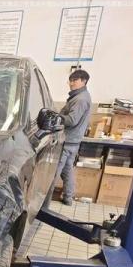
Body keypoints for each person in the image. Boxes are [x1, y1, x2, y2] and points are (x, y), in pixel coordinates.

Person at [49, 69, 92, 206]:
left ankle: (44, 202)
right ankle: (68, 197)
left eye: (75, 80)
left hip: (67, 141)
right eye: (70, 80)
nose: (71, 83)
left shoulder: (80, 99)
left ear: (84, 81)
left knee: (54, 171)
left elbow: (72, 120)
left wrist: (56, 117)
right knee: (67, 171)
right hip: (73, 142)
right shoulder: (80, 96)